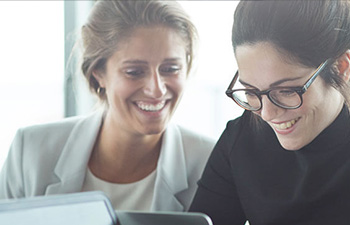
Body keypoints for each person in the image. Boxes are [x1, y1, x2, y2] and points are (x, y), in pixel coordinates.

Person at [0, 0, 215, 212]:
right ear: (99, 73)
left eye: (171, 68)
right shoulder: (29, 153)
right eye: (134, 72)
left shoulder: (211, 163)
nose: (157, 89)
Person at [190, 0, 350, 224]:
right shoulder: (242, 139)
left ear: (341, 67)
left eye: (286, 91)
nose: (266, 114)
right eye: (251, 91)